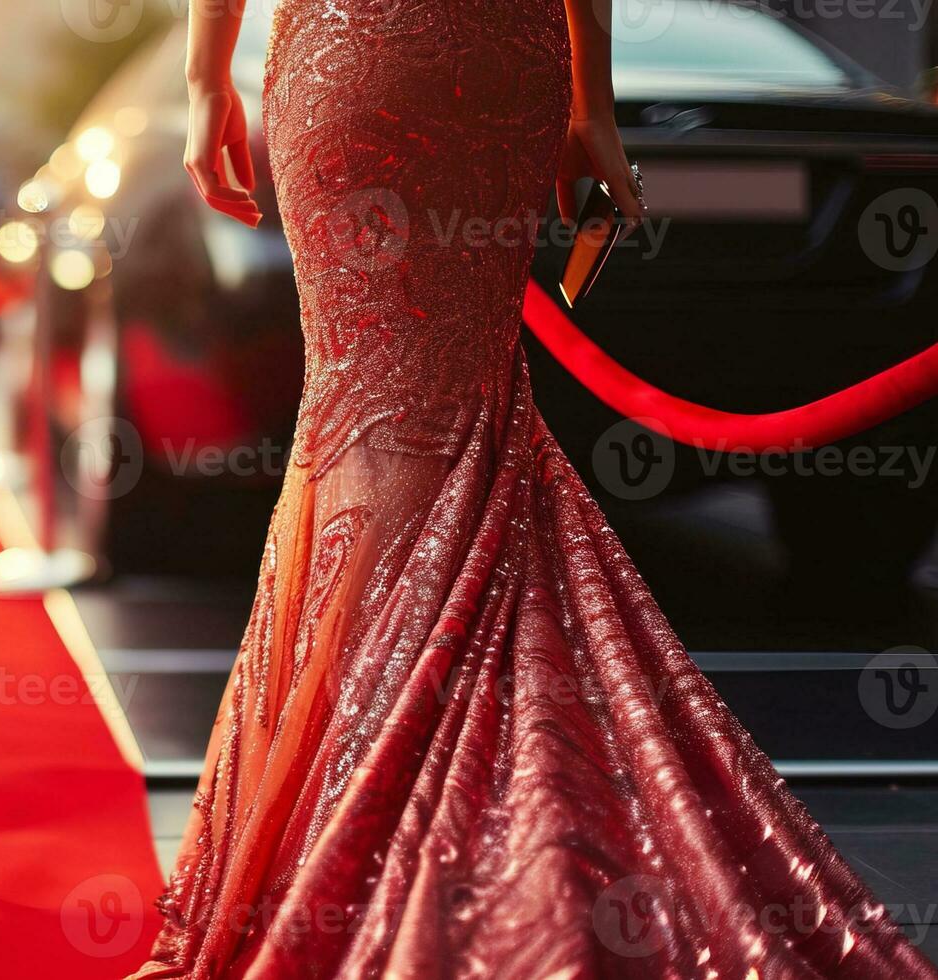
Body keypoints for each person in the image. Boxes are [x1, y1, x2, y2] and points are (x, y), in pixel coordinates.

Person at [134, 0, 938, 976]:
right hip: (500, 57)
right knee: (448, 419)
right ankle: (477, 813)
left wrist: (202, 75)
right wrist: (586, 98)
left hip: (352, 53)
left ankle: (369, 821)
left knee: (369, 420)